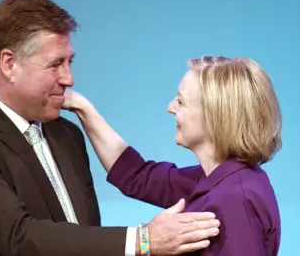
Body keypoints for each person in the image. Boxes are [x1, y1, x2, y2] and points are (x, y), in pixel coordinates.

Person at [0, 0, 222, 256]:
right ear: (9, 64)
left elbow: (88, 231)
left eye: (69, 62)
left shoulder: (66, 134)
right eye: (55, 64)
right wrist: (143, 241)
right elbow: (19, 238)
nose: (69, 78)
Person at [63, 55, 282, 255]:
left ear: (215, 116)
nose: (170, 108)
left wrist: (147, 244)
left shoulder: (235, 200)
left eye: (181, 101)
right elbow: (137, 176)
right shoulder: (214, 179)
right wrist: (82, 108)